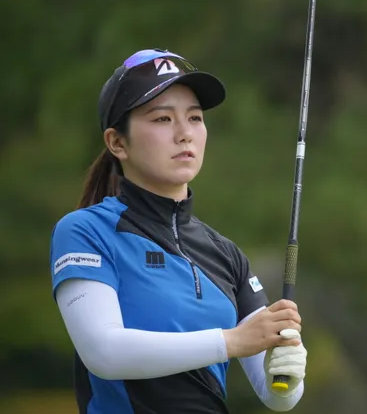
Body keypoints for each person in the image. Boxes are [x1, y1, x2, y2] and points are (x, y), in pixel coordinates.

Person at [48, 49, 307, 413]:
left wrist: (287, 374)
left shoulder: (226, 254)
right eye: (163, 119)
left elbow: (276, 395)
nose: (185, 133)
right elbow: (103, 353)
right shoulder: (85, 231)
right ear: (117, 142)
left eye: (195, 117)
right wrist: (230, 341)